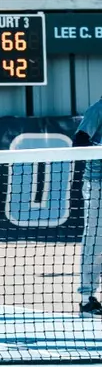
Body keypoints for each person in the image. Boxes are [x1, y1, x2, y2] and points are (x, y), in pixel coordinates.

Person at [73, 95, 102, 315]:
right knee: (95, 240)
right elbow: (80, 142)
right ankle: (86, 298)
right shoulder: (98, 109)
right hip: (97, 184)